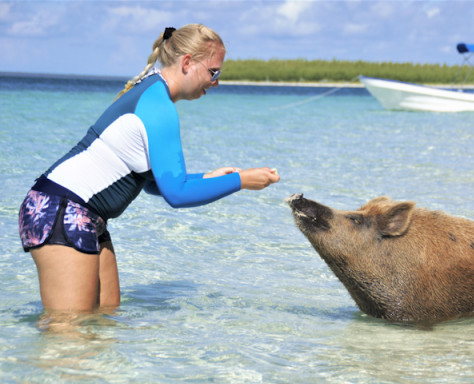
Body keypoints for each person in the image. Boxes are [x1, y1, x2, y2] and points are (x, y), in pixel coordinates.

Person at [18, 24, 280, 314]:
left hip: (83, 214)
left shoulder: (153, 94)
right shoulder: (158, 105)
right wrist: (241, 181)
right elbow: (176, 194)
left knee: (105, 319)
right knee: (68, 331)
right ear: (187, 62)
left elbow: (153, 183)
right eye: (213, 72)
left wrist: (206, 178)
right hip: (61, 209)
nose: (216, 82)